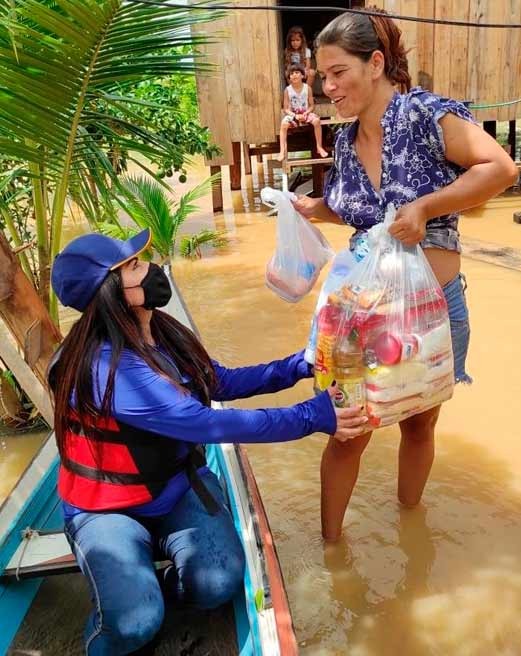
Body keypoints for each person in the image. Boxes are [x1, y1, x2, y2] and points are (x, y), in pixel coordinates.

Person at [48, 229, 367, 655]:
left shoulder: (160, 330)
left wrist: (296, 366)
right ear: (109, 293)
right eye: (136, 266)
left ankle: (157, 587)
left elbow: (216, 382)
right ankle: (116, 618)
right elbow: (209, 425)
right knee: (134, 624)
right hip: (107, 511)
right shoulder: (107, 368)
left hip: (174, 489)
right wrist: (313, 416)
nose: (152, 269)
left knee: (218, 582)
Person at [291, 10, 518, 542]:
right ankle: (331, 550)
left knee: (420, 422)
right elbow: (355, 211)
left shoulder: (426, 115)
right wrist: (312, 209)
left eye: (337, 72)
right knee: (349, 429)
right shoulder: (345, 143)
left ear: (375, 64)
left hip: (433, 306)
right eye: (322, 76)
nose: (328, 87)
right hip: (362, 311)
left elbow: (499, 168)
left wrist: (425, 206)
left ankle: (411, 528)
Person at [278, 64, 328, 161]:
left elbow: (312, 105)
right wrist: (295, 115)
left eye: (297, 73)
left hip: (306, 113)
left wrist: (306, 113)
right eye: (292, 74)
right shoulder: (287, 90)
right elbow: (285, 108)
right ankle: (282, 150)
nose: (294, 75)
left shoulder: (307, 88)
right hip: (293, 115)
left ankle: (319, 147)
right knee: (284, 124)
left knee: (317, 121)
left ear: (302, 75)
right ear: (289, 77)